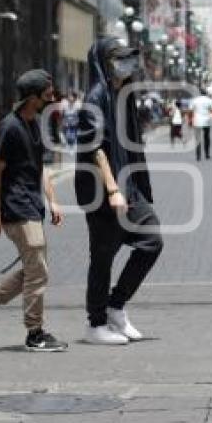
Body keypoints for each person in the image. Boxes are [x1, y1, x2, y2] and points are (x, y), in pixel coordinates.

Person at [0, 69, 66, 352]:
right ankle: (35, 333)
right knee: (38, 271)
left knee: (35, 269)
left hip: (32, 205)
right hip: (16, 207)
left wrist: (53, 200)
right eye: (47, 95)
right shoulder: (11, 126)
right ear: (32, 98)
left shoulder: (34, 123)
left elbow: (39, 168)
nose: (52, 98)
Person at [75, 38, 163, 345]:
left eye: (128, 59)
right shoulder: (96, 97)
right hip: (103, 191)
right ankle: (95, 323)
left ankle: (115, 305)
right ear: (104, 62)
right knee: (103, 256)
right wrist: (113, 190)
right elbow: (94, 147)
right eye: (119, 58)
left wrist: (136, 185)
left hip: (130, 187)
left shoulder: (122, 94)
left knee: (151, 241)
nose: (126, 64)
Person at [190, 89, 212, 161]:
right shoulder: (209, 100)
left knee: (197, 139)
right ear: (206, 93)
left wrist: (190, 120)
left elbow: (191, 109)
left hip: (197, 121)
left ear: (200, 93)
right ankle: (207, 154)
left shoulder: (195, 100)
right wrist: (208, 110)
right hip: (206, 121)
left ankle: (198, 156)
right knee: (206, 138)